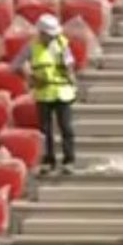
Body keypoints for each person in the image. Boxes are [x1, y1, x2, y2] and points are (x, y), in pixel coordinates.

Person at [12, 14, 77, 175]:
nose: (52, 37)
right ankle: (49, 161)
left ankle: (69, 160)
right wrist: (30, 77)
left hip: (63, 92)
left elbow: (69, 65)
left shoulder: (62, 44)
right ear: (41, 33)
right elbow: (15, 65)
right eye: (49, 35)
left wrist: (72, 81)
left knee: (66, 128)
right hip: (44, 94)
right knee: (45, 130)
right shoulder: (31, 47)